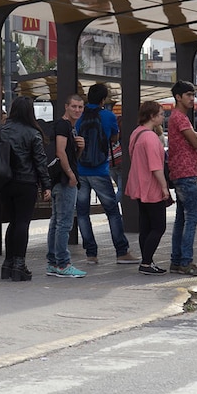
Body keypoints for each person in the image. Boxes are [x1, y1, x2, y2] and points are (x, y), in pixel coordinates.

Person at [75, 83, 139, 265]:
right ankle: (121, 252)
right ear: (103, 100)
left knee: (82, 213)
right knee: (112, 211)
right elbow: (114, 138)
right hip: (100, 170)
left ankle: (91, 254)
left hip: (81, 170)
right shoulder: (108, 116)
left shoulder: (80, 117)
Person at [0, 96, 51, 282]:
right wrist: (46, 185)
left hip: (5, 182)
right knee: (22, 222)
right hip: (26, 183)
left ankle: (7, 264)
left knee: (12, 222)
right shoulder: (33, 133)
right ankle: (19, 264)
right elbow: (40, 162)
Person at [125, 101, 171, 276]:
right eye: (160, 114)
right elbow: (155, 167)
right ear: (152, 116)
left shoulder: (136, 133)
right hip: (151, 187)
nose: (163, 116)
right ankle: (146, 261)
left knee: (145, 226)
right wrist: (164, 187)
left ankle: (147, 261)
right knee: (158, 227)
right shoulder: (150, 137)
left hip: (138, 185)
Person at [167, 81, 197, 276]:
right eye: (189, 95)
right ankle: (186, 262)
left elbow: (195, 137)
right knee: (191, 219)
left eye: (193, 95)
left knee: (181, 219)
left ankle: (176, 261)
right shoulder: (181, 118)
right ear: (178, 97)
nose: (192, 98)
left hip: (179, 174)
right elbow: (196, 143)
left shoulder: (175, 117)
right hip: (188, 174)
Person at [45, 94, 87, 278]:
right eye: (74, 106)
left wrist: (81, 148)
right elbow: (60, 152)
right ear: (66, 106)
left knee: (56, 221)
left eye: (80, 107)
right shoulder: (63, 126)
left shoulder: (70, 128)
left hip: (59, 180)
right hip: (63, 180)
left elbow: (69, 155)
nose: (77, 110)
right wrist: (71, 175)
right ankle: (62, 263)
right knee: (64, 223)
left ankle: (53, 262)